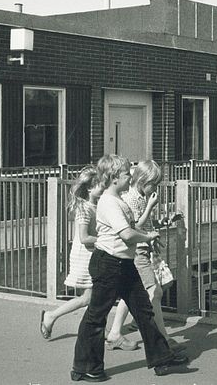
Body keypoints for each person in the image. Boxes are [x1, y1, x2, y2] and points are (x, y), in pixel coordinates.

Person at [71, 154, 189, 382]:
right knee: (96, 317)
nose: (130, 176)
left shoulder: (119, 199)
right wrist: (148, 235)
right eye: (126, 173)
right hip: (108, 264)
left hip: (123, 264)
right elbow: (126, 234)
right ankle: (85, 366)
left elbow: (131, 226)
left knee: (144, 311)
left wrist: (146, 234)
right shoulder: (108, 201)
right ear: (114, 178)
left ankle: (161, 358)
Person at [40, 166, 138, 345]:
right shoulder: (84, 209)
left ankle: (102, 329)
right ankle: (52, 315)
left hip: (96, 252)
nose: (104, 188)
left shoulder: (99, 204)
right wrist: (107, 238)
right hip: (85, 255)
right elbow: (84, 238)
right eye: (101, 185)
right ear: (90, 188)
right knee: (90, 297)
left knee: (95, 296)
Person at [106, 160, 186, 356]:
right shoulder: (133, 199)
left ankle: (115, 333)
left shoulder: (140, 197)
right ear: (142, 181)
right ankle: (162, 338)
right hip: (137, 250)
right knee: (155, 292)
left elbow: (147, 224)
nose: (155, 188)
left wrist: (161, 221)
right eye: (153, 184)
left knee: (131, 291)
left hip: (143, 248)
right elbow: (134, 228)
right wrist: (150, 206)